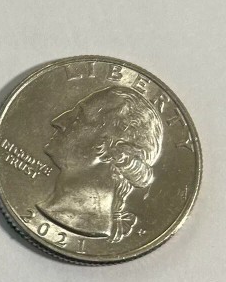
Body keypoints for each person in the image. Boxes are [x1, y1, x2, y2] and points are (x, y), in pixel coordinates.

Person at [37, 86, 164, 243]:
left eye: (79, 118)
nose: (58, 121)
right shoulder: (52, 209)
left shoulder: (79, 220)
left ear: (113, 148)